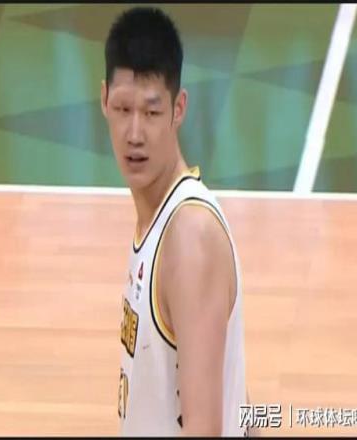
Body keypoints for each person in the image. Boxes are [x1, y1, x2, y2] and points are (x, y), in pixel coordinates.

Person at [100, 6, 247, 437]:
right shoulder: (159, 221)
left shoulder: (188, 238)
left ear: (178, 108)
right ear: (104, 100)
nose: (134, 134)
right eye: (123, 109)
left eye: (151, 112)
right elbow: (229, 386)